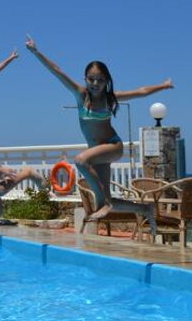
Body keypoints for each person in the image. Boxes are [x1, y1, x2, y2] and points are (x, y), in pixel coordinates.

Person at [25, 34, 172, 222]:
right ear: (85, 79)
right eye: (91, 79)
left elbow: (141, 91)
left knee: (80, 160)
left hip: (112, 146)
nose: (95, 84)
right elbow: (57, 71)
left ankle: (106, 203)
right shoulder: (81, 95)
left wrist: (163, 86)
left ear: (107, 81)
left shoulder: (110, 99)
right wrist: (36, 52)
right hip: (96, 153)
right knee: (104, 201)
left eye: (100, 80)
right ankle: (145, 209)